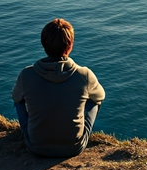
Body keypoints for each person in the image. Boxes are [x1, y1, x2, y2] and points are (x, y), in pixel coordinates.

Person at [12, 18, 105, 157]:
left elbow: (16, 97)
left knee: (18, 99)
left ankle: (39, 130)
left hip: (35, 145)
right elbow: (100, 96)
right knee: (95, 100)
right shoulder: (84, 74)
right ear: (70, 45)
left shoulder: (27, 74)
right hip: (73, 148)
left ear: (43, 44)